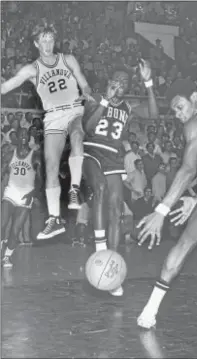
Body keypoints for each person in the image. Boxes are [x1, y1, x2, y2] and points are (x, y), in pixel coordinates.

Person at [136, 79, 197, 328]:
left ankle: (149, 312)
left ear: (194, 98)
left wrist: (161, 211)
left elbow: (187, 169)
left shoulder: (195, 123)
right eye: (174, 110)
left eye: (179, 106)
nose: (177, 114)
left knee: (185, 243)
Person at [1, 23, 93, 240]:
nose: (48, 44)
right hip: (52, 116)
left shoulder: (68, 59)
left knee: (77, 136)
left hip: (73, 110)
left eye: (51, 39)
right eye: (43, 40)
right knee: (51, 167)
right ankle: (55, 219)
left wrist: (86, 93)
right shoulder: (31, 69)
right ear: (36, 44)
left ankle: (74, 189)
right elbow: (4, 88)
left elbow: (85, 85)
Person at [83, 59, 159, 296]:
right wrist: (105, 99)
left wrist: (148, 83)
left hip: (114, 158)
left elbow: (154, 116)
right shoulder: (95, 97)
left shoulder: (128, 107)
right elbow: (89, 128)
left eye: (125, 82)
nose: (121, 84)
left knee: (116, 209)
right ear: (109, 82)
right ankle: (99, 249)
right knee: (101, 190)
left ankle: (111, 267)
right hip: (92, 152)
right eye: (117, 80)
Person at [1, 128, 42, 267]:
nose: (23, 136)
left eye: (26, 134)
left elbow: (41, 180)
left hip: (26, 196)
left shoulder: (35, 155)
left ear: (29, 137)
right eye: (21, 134)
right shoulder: (9, 154)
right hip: (11, 193)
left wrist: (33, 193)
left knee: (15, 230)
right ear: (16, 138)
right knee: (2, 224)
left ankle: (7, 257)